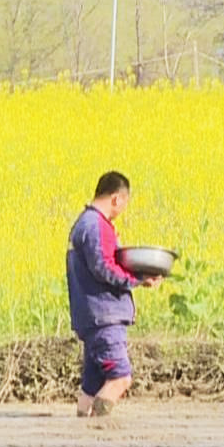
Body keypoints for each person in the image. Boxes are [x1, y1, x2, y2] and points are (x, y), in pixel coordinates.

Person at [66, 171, 157, 418]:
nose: (121, 211)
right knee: (120, 377)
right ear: (116, 199)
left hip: (92, 317)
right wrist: (137, 279)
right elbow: (104, 266)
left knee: (91, 385)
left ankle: (81, 432)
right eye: (123, 204)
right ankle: (99, 433)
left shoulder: (83, 223)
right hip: (104, 318)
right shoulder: (97, 226)